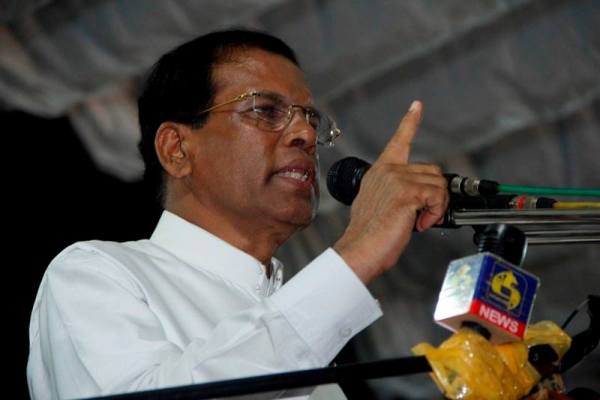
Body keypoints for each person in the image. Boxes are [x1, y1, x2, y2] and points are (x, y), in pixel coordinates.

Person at [27, 29, 448, 399]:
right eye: (265, 110)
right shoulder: (94, 274)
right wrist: (357, 253)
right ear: (177, 149)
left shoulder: (313, 355)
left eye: (310, 119)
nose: (305, 134)